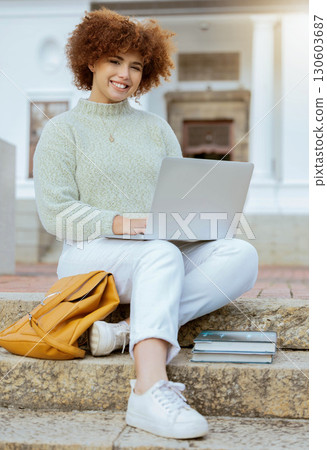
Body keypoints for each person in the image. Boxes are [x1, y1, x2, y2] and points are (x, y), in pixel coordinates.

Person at [33, 8, 258, 440]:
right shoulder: (63, 131)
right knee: (159, 253)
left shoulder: (156, 129)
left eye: (136, 66)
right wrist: (124, 222)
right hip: (91, 255)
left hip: (156, 251)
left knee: (240, 254)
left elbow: (179, 196)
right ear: (91, 61)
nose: (125, 74)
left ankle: (125, 333)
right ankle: (148, 389)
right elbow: (56, 214)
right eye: (115, 61)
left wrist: (200, 221)